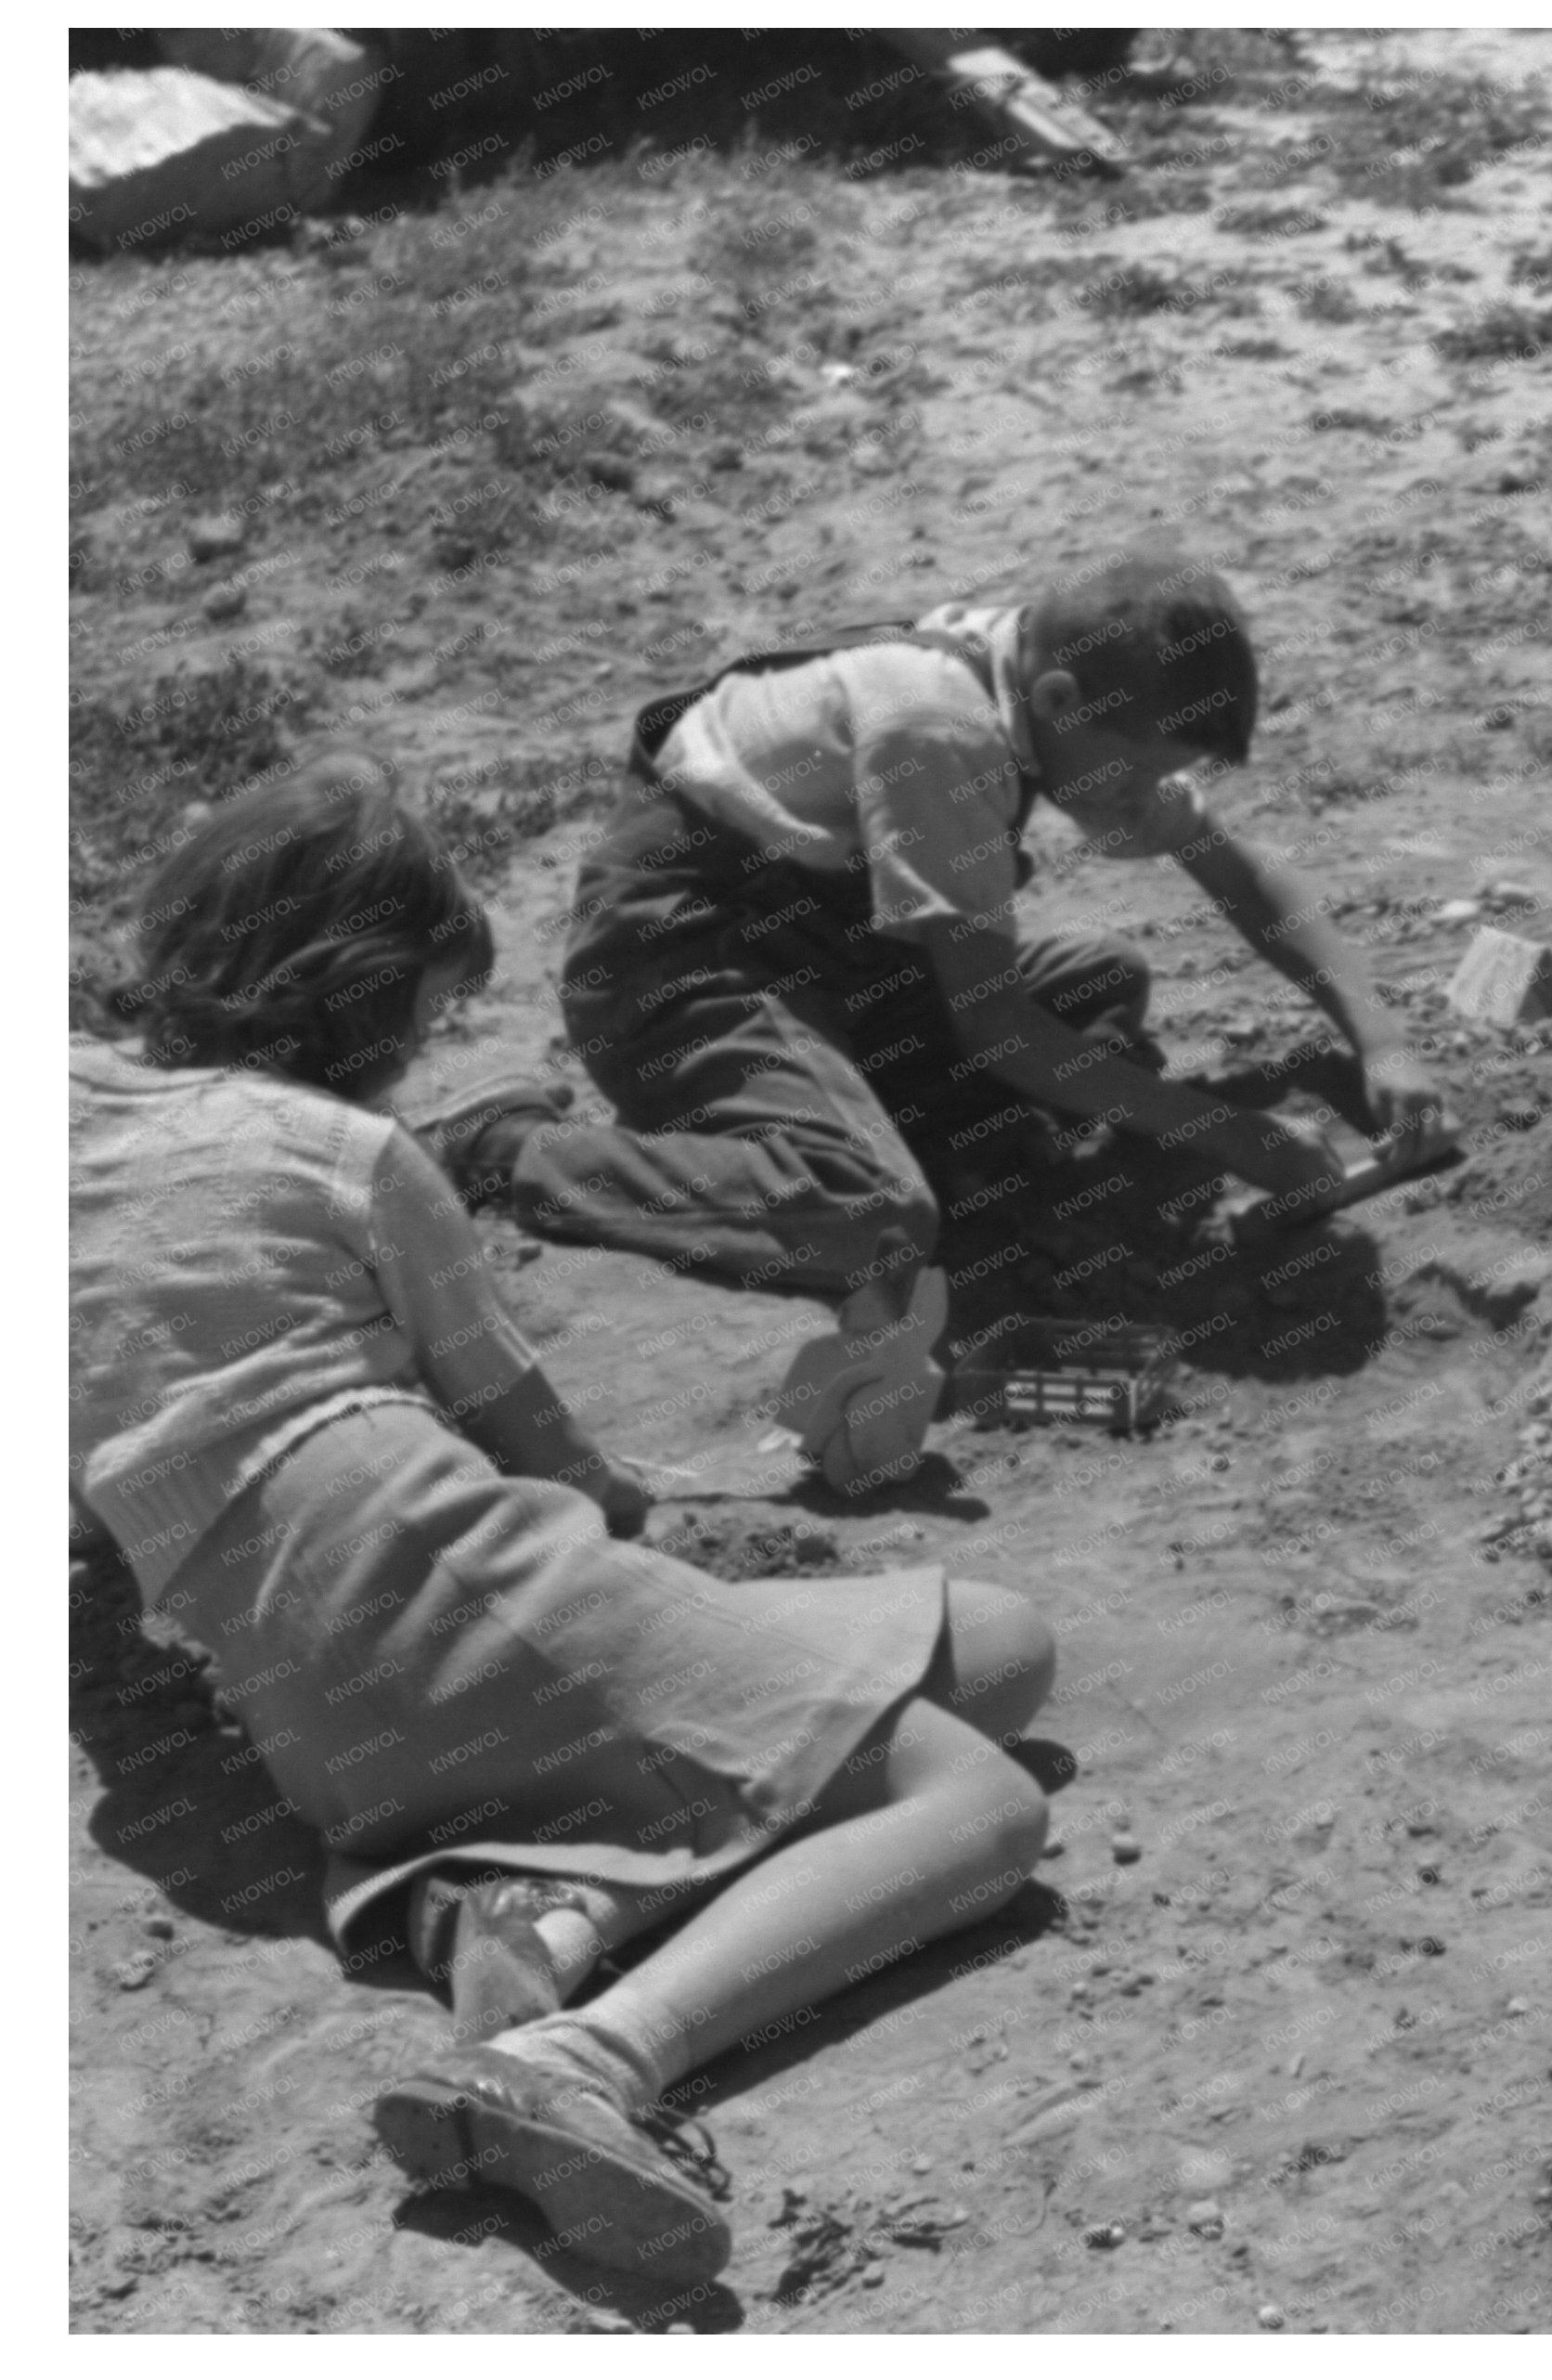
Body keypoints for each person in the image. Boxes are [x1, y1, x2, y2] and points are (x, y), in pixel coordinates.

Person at [71, 755, 1060, 2286]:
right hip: (442, 1564)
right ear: (367, 1008)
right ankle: (591, 2055)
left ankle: (543, 1908)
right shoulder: (352, 1155)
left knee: (996, 1646)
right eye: (426, 1020)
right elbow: (548, 1453)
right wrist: (659, 1521)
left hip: (306, 1702)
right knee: (982, 1801)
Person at [416, 543, 1450, 1493]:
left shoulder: (1056, 693)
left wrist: (1382, 1039)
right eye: (1136, 773)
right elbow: (997, 1032)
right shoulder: (940, 730)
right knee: (874, 1219)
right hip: (683, 969)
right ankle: (507, 1150)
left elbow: (1243, 877)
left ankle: (862, 1123)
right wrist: (1228, 1135)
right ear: (1057, 696)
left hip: (834, 956)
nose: (1146, 801)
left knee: (1098, 980)